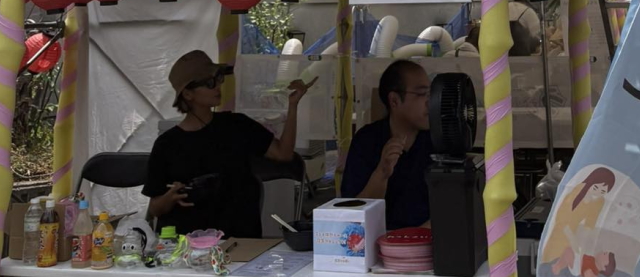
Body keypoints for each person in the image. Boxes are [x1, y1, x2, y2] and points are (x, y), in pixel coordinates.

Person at [142, 50, 312, 237]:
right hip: (188, 246)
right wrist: (171, 197)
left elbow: (283, 153)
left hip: (239, 239)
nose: (217, 87)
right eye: (209, 83)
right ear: (188, 94)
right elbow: (155, 208)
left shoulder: (237, 125)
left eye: (218, 79)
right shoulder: (167, 145)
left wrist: (293, 105)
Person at [341, 60, 434, 230]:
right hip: (377, 241)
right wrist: (381, 173)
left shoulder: (439, 140)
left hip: (430, 242)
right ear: (395, 100)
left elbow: (455, 207)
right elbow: (353, 213)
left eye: (431, 94)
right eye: (421, 94)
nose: (430, 102)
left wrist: (415, 238)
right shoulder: (367, 141)